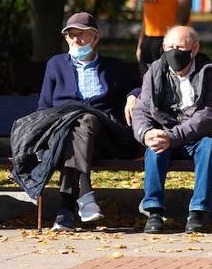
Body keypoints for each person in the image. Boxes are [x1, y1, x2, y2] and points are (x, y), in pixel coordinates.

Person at [34, 12, 142, 231]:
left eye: (82, 35)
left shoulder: (114, 67)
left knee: (86, 119)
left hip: (107, 138)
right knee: (76, 126)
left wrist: (133, 95)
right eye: (71, 36)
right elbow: (44, 106)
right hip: (64, 136)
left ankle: (69, 207)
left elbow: (140, 85)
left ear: (95, 38)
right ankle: (77, 204)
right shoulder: (56, 65)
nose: (76, 40)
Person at [132, 25, 212, 234]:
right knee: (155, 148)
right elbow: (142, 109)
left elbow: (209, 115)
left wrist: (172, 136)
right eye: (170, 46)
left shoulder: (209, 72)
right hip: (164, 134)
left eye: (180, 47)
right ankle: (153, 211)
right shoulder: (154, 71)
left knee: (210, 148)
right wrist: (146, 133)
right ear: (163, 47)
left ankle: (197, 213)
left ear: (194, 49)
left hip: (196, 138)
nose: (174, 52)